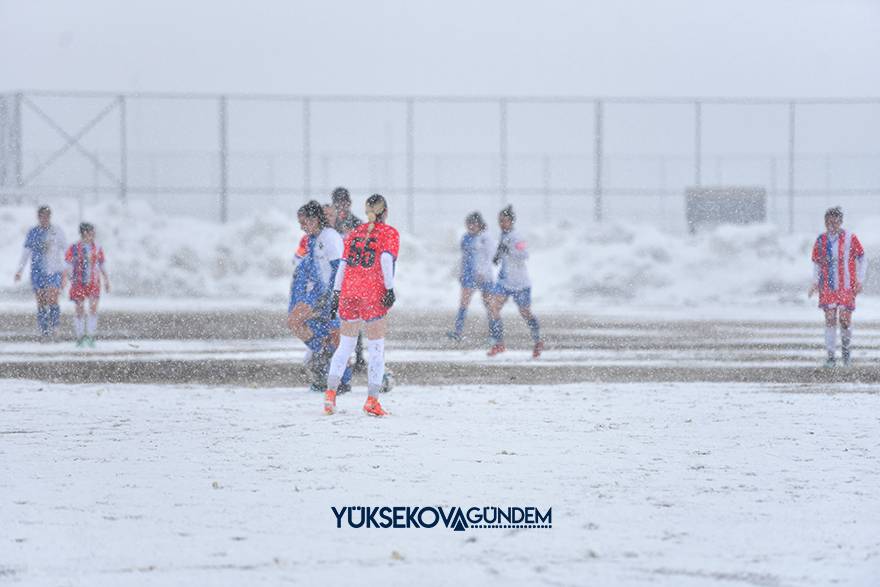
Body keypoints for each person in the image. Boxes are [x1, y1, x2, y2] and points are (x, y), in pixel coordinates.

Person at [323, 193, 399, 417]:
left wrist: (336, 294)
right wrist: (390, 289)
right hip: (372, 292)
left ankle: (330, 395)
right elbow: (385, 259)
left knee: (345, 346)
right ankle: (372, 400)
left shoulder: (354, 232)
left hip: (349, 290)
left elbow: (343, 265)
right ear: (385, 211)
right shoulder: (389, 232)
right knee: (376, 349)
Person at [286, 201, 353, 391]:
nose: (301, 226)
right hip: (319, 294)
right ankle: (322, 352)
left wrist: (333, 298)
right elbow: (310, 268)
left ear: (315, 219)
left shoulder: (330, 237)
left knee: (336, 336)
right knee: (295, 321)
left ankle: (343, 380)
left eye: (304, 222)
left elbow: (338, 269)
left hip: (334, 294)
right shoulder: (313, 239)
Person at [809, 206, 866, 367]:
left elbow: (862, 258)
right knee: (829, 319)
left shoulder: (849, 238)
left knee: (845, 320)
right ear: (825, 222)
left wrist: (860, 280)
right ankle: (831, 357)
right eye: (828, 222)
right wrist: (815, 282)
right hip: (827, 285)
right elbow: (816, 263)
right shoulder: (821, 240)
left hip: (847, 285)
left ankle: (846, 353)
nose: (831, 225)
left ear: (840, 222)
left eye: (835, 222)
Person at [485, 205, 544, 358]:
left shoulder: (518, 237)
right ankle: (498, 344)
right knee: (493, 308)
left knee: (525, 313)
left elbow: (524, 254)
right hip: (504, 281)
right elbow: (502, 251)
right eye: (500, 221)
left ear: (511, 221)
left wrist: (508, 251)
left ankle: (538, 341)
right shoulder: (503, 235)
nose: (502, 224)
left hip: (520, 283)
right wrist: (497, 256)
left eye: (505, 221)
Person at [14, 205, 67, 339]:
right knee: (41, 301)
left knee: (53, 298)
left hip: (54, 270)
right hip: (38, 271)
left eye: (47, 216)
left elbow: (66, 252)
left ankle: (55, 327)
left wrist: (67, 271)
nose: (44, 219)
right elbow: (25, 253)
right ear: (38, 217)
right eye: (42, 216)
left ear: (50, 217)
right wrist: (19, 270)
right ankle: (44, 330)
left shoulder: (57, 231)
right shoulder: (33, 232)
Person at [330, 186, 368, 372]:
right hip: (334, 277)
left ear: (350, 203)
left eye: (344, 203)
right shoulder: (330, 225)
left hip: (354, 277)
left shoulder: (358, 225)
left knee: (355, 317)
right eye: (338, 204)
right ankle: (334, 356)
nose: (341, 207)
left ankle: (359, 357)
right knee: (333, 317)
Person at [447, 211, 495, 342]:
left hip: (484, 276)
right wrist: (462, 273)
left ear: (479, 224)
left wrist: (483, 273)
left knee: (489, 304)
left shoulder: (486, 238)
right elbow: (464, 258)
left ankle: (494, 334)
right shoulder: (466, 238)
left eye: (473, 224)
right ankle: (457, 332)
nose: (471, 227)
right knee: (463, 303)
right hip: (469, 275)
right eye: (468, 225)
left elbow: (489, 257)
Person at [65, 222, 110, 347]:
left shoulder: (97, 247)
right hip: (79, 281)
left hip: (94, 281)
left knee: (93, 308)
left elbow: (102, 264)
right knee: (79, 308)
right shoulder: (74, 248)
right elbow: (68, 265)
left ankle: (90, 336)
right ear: (85, 233)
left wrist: (106, 280)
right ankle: (79, 337)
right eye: (91, 232)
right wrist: (68, 279)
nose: (93, 235)